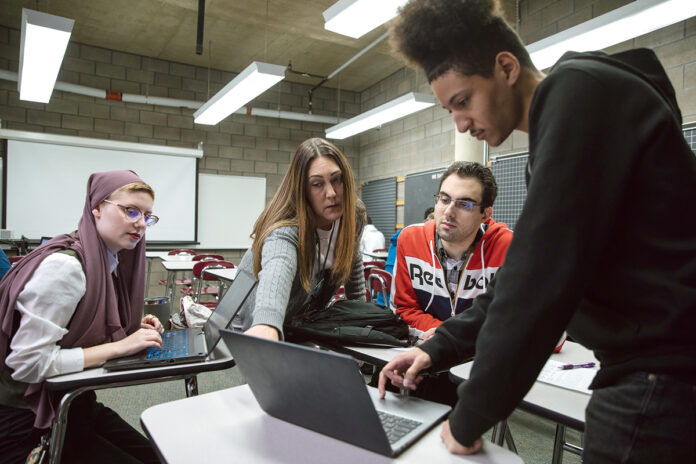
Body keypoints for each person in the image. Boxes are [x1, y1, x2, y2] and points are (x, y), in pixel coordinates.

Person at [379, 0, 696, 462]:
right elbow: (517, 281)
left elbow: (538, 283)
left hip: (661, 377)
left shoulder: (578, 96)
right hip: (650, 372)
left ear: (505, 66)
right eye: (450, 110)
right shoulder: (573, 115)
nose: (461, 122)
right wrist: (437, 350)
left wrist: (469, 415)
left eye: (462, 101)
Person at [0, 170, 163, 463]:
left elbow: (77, 319)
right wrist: (120, 346)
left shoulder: (104, 260)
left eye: (147, 216)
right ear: (97, 208)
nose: (140, 223)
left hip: (70, 400)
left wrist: (127, 326)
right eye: (130, 211)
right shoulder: (67, 268)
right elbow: (27, 364)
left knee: (157, 457)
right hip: (26, 417)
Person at [237, 138, 366, 341]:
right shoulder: (286, 227)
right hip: (257, 319)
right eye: (317, 184)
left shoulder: (353, 215)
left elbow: (352, 256)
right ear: (303, 191)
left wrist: (364, 316)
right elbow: (278, 268)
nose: (331, 193)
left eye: (336, 179)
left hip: (302, 319)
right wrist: (267, 323)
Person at [391, 161, 512, 338]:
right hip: (427, 348)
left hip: (483, 355)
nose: (448, 212)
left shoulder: (509, 247)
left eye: (464, 204)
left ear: (485, 214)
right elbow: (404, 309)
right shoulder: (410, 240)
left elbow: (522, 319)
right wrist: (445, 336)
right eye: (444, 199)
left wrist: (454, 338)